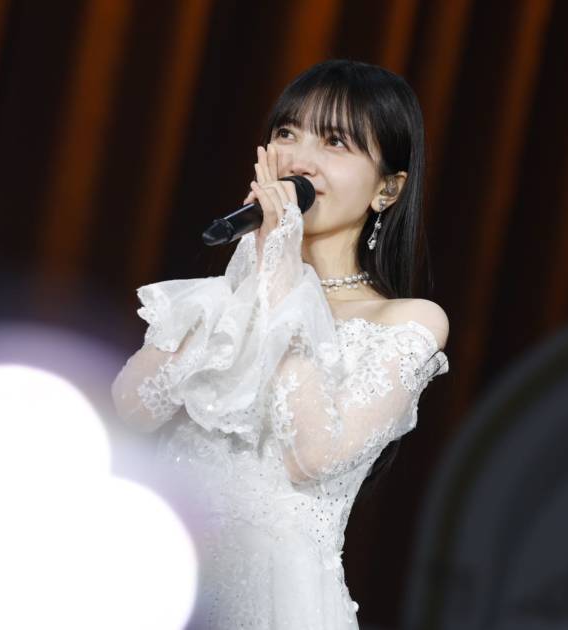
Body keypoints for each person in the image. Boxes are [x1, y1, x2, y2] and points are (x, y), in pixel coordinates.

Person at [110, 59, 450, 629]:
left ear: (387, 189)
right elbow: (132, 408)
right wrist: (249, 277)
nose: (298, 160)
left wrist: (281, 279)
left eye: (334, 142)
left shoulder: (407, 319)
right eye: (287, 133)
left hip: (276, 603)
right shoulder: (225, 300)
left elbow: (311, 455)